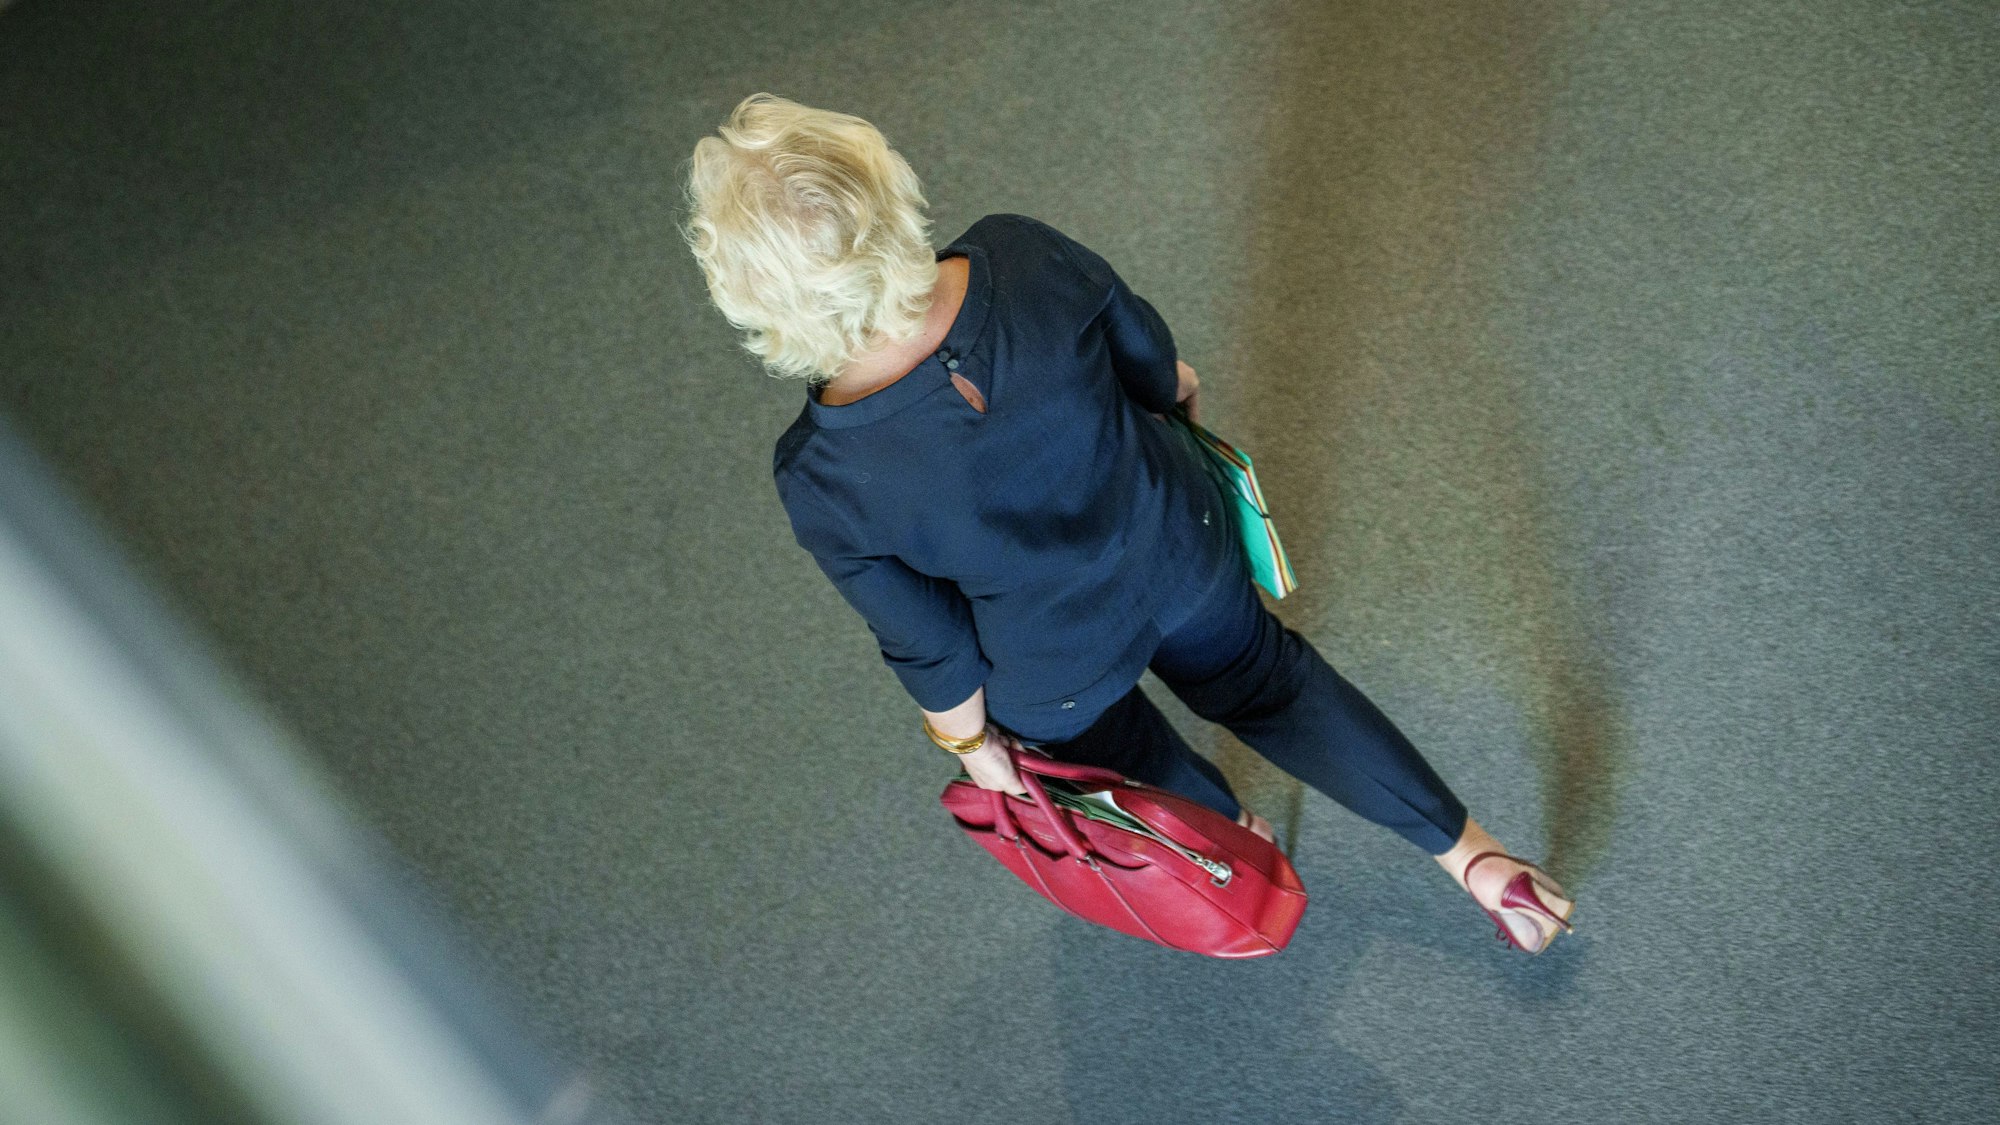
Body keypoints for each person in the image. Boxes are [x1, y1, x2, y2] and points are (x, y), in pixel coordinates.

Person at [680, 92, 1577, 954]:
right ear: (882, 187)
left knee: (1120, 752)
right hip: (1178, 540)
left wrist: (973, 748)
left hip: (1055, 666)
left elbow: (932, 648)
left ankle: (1237, 840)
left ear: (758, 299)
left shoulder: (820, 475)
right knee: (1271, 681)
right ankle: (1477, 859)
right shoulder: (1016, 252)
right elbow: (1157, 365)